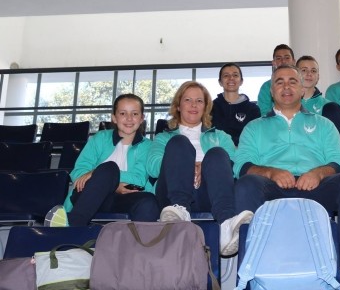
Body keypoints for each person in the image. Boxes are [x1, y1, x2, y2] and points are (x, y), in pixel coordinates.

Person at [234, 65, 340, 290]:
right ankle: (248, 271)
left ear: (302, 89)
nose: (286, 86)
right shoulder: (254, 127)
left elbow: (339, 161)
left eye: (292, 81)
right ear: (271, 91)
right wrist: (271, 172)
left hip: (316, 187)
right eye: (279, 82)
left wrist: (318, 173)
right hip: (272, 188)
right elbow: (241, 165)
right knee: (246, 184)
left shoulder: (324, 124)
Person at [147, 81, 253, 257]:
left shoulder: (221, 136)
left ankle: (226, 224)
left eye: (199, 101)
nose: (193, 105)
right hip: (171, 195)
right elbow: (152, 167)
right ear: (178, 106)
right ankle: (180, 210)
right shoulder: (164, 137)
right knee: (179, 143)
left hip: (208, 194)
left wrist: (204, 167)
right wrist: (186, 165)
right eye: (188, 100)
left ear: (205, 107)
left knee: (218, 153)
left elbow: (234, 166)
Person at [44, 94, 159, 227]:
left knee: (148, 201)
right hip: (90, 195)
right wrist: (106, 180)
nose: (129, 118)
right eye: (123, 113)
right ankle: (73, 226)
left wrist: (97, 174)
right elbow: (79, 173)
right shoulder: (100, 138)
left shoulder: (148, 146)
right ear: (114, 117)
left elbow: (138, 179)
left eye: (135, 114)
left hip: (123, 199)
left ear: (142, 118)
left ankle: (138, 241)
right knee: (109, 168)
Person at [211, 63, 261, 146]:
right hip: (217, 151)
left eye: (235, 75)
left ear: (241, 81)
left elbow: (255, 137)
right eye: (226, 75)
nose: (231, 78)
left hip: (244, 151)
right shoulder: (210, 107)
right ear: (220, 82)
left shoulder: (253, 109)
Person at [257, 44, 296, 116]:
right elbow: (264, 114)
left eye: (287, 58)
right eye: (279, 58)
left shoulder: (300, 84)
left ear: (294, 61)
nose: (283, 61)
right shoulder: (266, 87)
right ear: (273, 62)